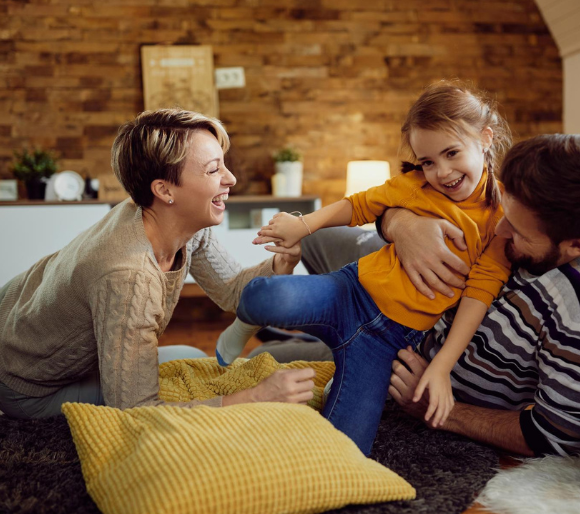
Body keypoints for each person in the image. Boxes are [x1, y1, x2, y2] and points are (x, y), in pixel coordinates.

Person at [251, 133, 580, 457]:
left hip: (400, 341)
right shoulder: (552, 200)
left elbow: (554, 435)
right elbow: (387, 203)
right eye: (505, 215)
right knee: (318, 244)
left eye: (518, 233)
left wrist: (437, 411)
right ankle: (303, 330)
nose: (500, 232)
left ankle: (301, 338)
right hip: (388, 278)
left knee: (261, 360)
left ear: (576, 246)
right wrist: (404, 226)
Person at [215, 80, 513, 455]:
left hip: (388, 341)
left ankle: (336, 374)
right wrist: (301, 224)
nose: (442, 171)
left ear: (485, 138)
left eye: (452, 153)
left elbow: (478, 295)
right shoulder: (415, 186)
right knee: (262, 297)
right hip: (350, 292)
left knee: (346, 450)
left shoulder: (500, 221)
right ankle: (245, 326)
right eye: (428, 162)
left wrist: (440, 367)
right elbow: (357, 205)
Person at [0, 109, 316, 419]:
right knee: (185, 384)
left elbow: (231, 291)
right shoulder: (129, 278)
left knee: (190, 358)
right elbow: (136, 409)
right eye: (214, 169)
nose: (231, 180)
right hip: (19, 377)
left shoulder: (173, 221)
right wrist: (257, 397)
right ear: (164, 190)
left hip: (17, 306)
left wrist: (280, 263)